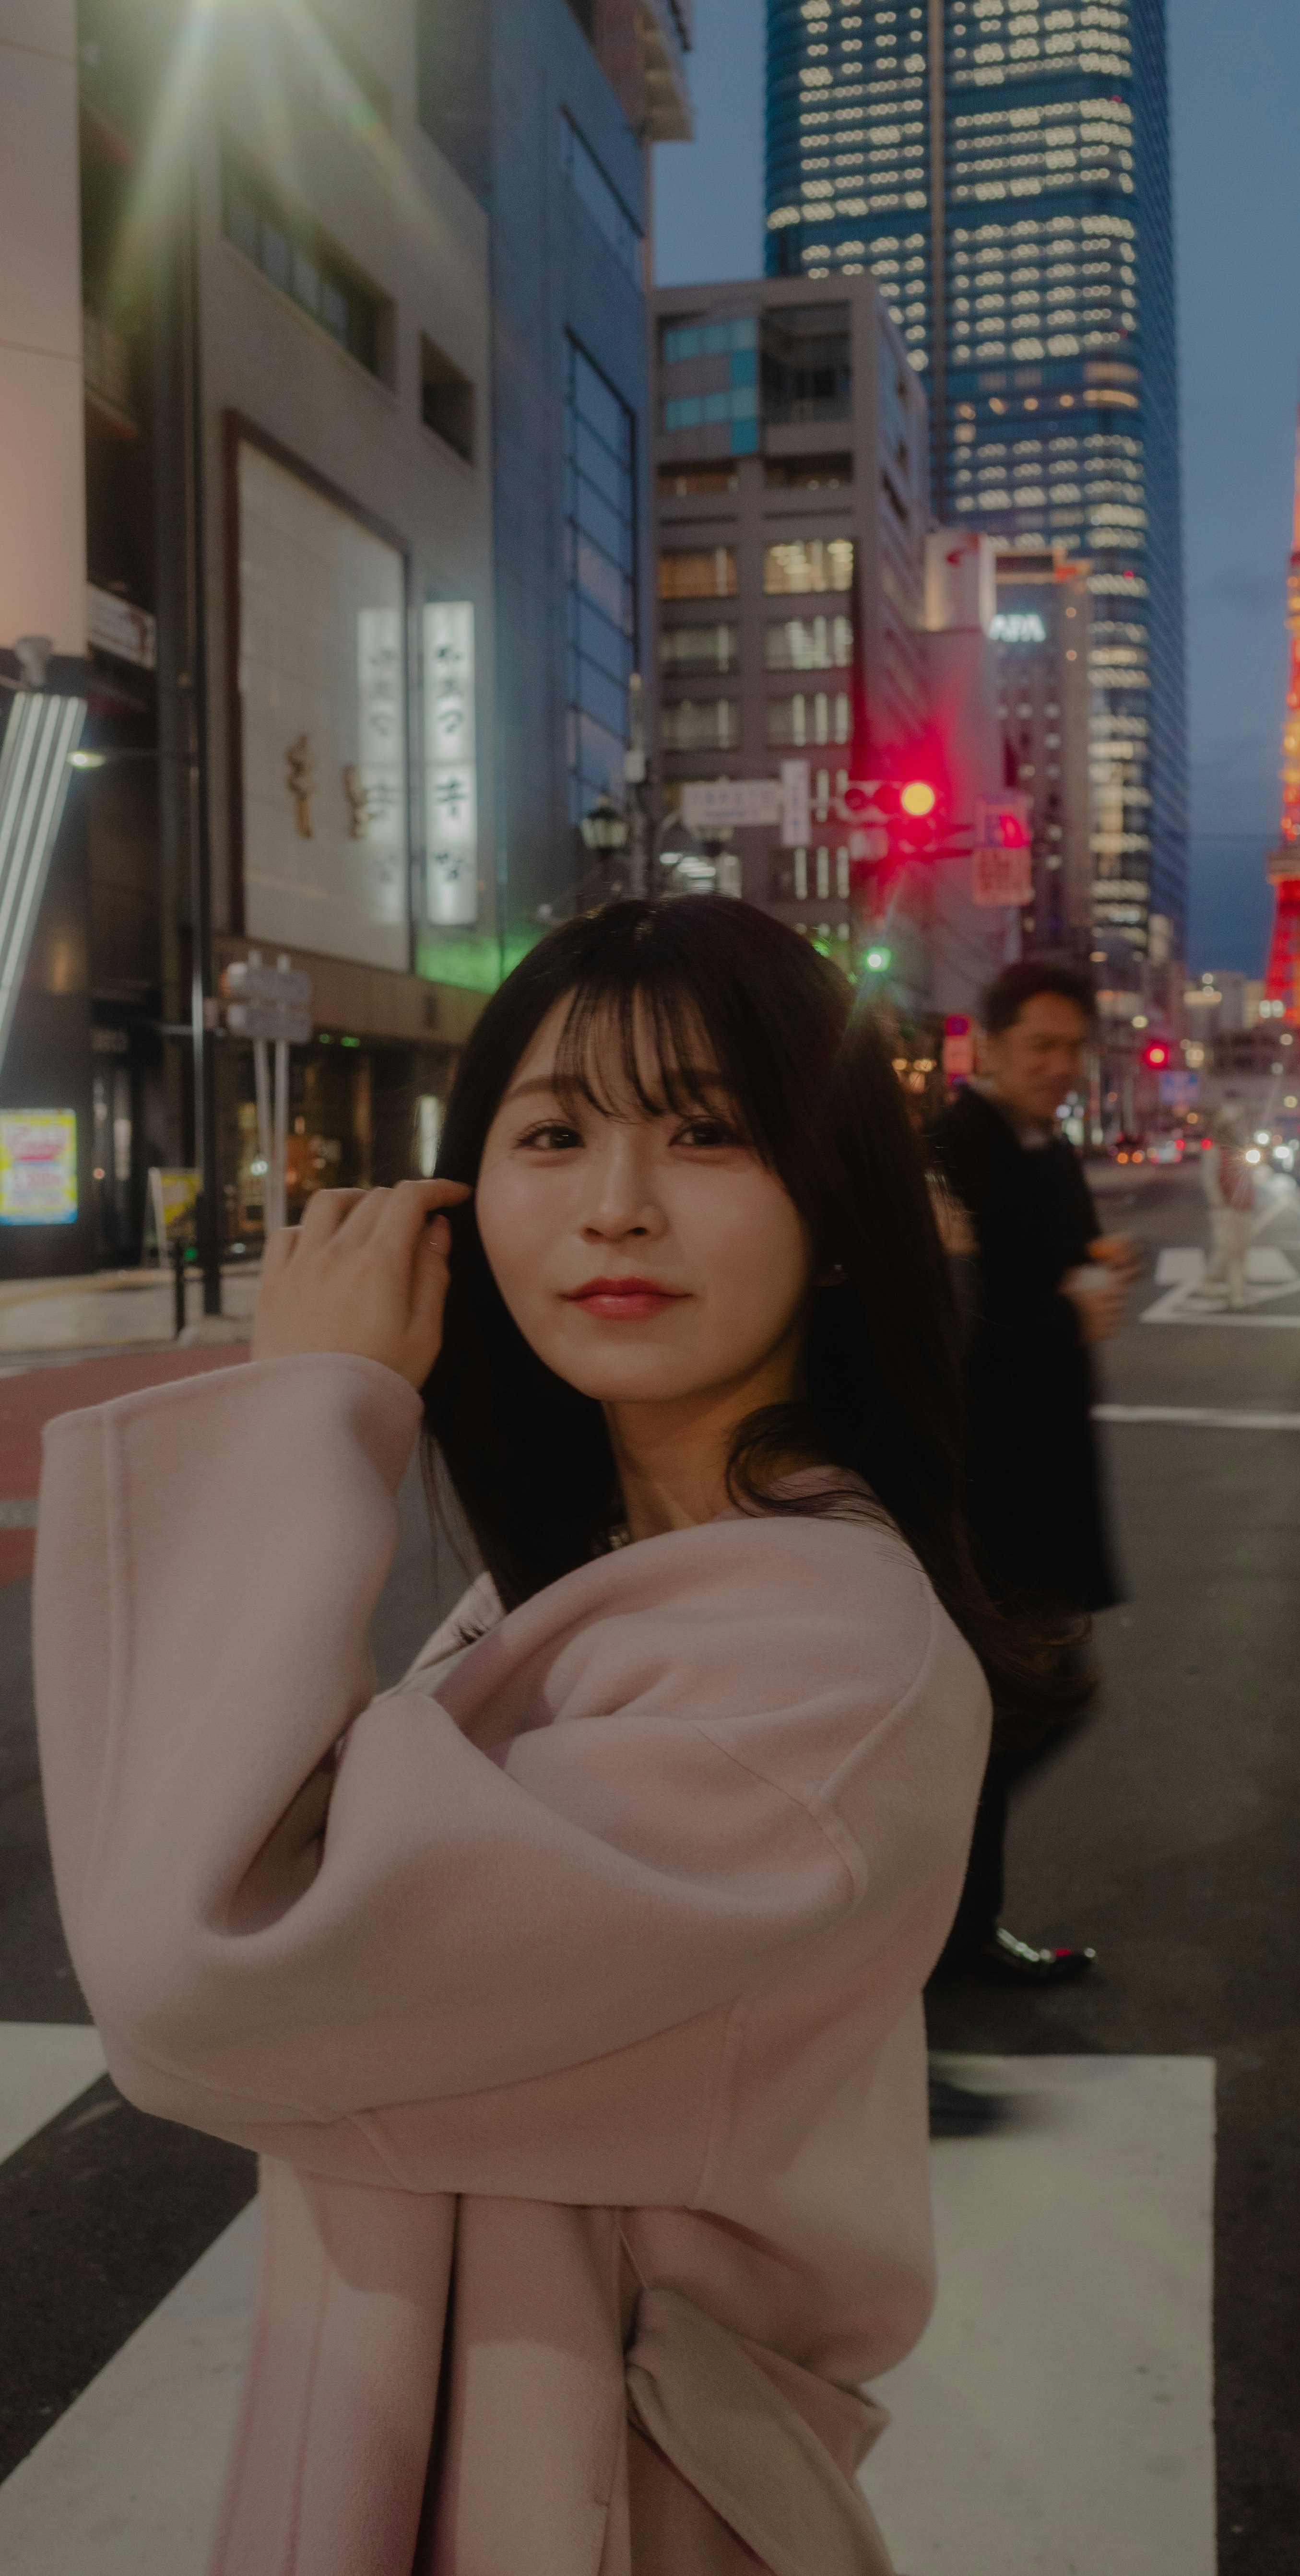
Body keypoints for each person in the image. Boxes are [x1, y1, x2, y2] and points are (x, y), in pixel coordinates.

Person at [32, 897, 1075, 2571]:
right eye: (552, 1132)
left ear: (836, 1218)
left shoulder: (821, 1670)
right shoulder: (604, 1575)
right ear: (467, 1199)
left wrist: (310, 1412)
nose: (617, 1206)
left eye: (709, 1134)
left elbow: (204, 1975)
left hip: (596, 2491)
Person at [929, 960, 1129, 1986]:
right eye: (1041, 1047)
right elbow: (939, 1318)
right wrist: (1067, 1308)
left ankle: (959, 1935)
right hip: (983, 1492)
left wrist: (1096, 1265)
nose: (1060, 1066)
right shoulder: (950, 1149)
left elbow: (1052, 1266)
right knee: (1029, 1704)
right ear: (990, 1047)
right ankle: (929, 1934)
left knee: (1013, 1714)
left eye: (1072, 1048)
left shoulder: (1047, 1149)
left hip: (1044, 1476)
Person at [1193, 1116, 1257, 1307]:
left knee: (1241, 1249)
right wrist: (1218, 1202)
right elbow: (1209, 1177)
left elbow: (1250, 1177)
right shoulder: (1214, 1151)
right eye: (1231, 1128)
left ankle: (1237, 1290)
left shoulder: (1243, 1151)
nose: (1236, 1131)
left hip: (1244, 1207)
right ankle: (1210, 1281)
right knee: (1225, 1248)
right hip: (1225, 1209)